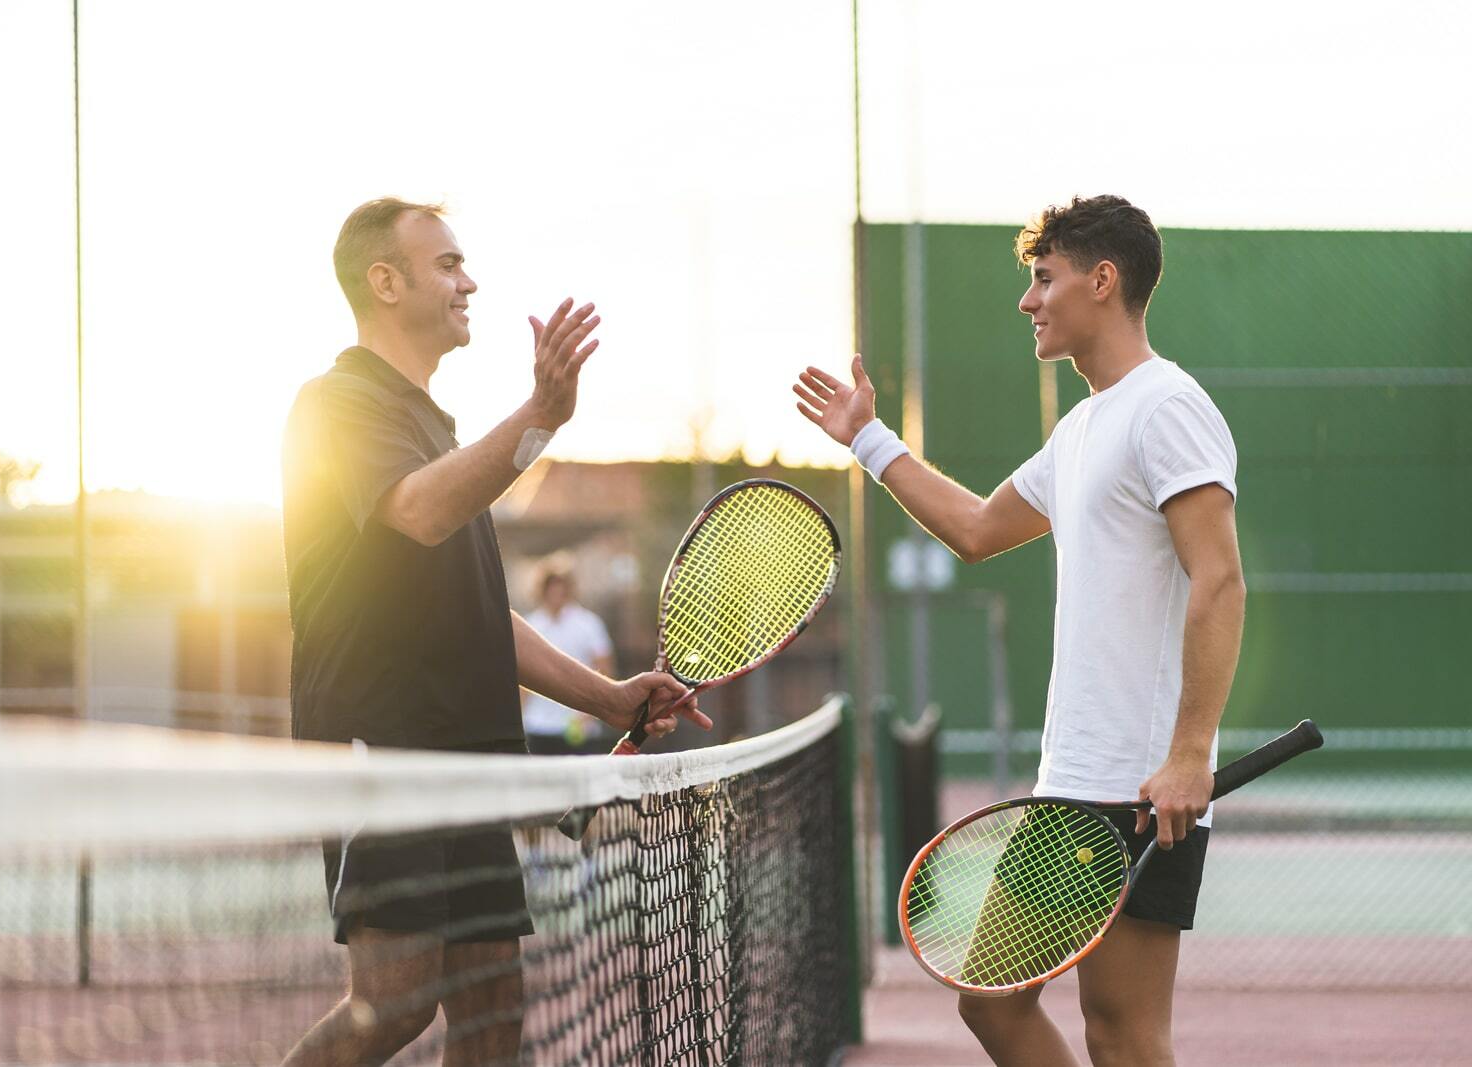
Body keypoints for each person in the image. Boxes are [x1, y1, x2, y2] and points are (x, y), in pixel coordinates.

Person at [794, 195, 1243, 1067]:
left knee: (1123, 1032)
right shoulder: (1080, 429)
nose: (1027, 302)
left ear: (1102, 281)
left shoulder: (1168, 408)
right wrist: (867, 437)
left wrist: (1190, 754)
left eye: (1045, 280)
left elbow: (1220, 580)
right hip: (1068, 781)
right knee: (990, 1002)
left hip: (1136, 789)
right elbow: (974, 527)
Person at [280, 197, 710, 1067]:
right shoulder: (336, 404)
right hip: (385, 749)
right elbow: (422, 512)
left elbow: (482, 612)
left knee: (491, 1009)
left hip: (471, 758)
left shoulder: (434, 426)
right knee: (392, 1006)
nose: (468, 280)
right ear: (385, 281)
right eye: (446, 264)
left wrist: (612, 695)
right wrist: (542, 415)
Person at [521, 561, 617, 755]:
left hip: (580, 732)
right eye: (551, 589)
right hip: (537, 728)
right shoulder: (530, 624)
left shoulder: (589, 624)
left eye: (561, 590)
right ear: (542, 591)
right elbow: (522, 679)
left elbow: (606, 671)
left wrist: (587, 716)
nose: (556, 595)